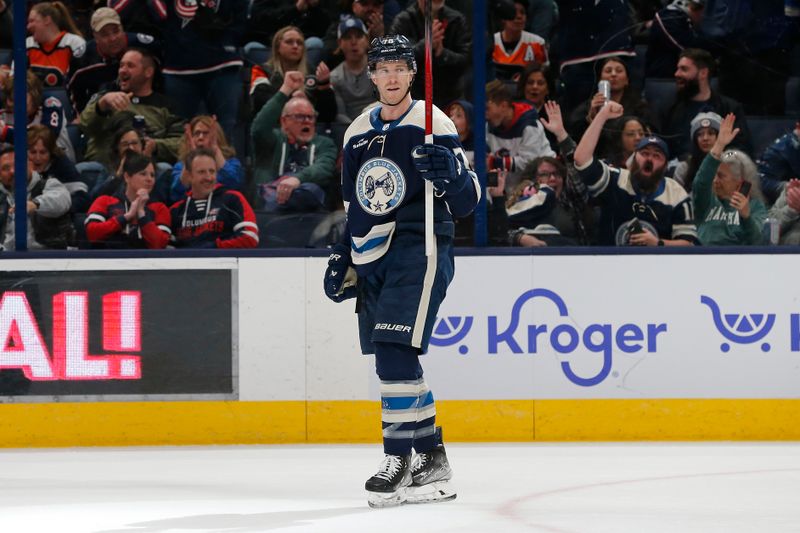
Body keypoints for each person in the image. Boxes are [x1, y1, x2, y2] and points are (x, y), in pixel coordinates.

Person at [323, 34, 479, 508]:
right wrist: (344, 251)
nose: (391, 76)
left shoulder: (433, 122)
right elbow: (354, 204)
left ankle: (398, 458)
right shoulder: (355, 134)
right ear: (370, 75)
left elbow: (467, 202)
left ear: (413, 74)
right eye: (382, 68)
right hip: (373, 252)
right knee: (393, 358)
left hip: (420, 243)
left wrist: (449, 173)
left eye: (400, 68)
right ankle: (432, 458)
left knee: (393, 346)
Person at [574, 100, 698, 246]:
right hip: (611, 263)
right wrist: (602, 116)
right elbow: (581, 159)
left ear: (665, 166)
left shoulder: (676, 194)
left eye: (657, 156)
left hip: (658, 266)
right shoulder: (616, 179)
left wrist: (658, 243)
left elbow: (689, 245)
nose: (649, 159)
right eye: (644, 153)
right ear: (633, 159)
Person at [79, 48, 184, 168]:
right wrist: (101, 105)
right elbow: (84, 126)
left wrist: (155, 145)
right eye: (121, 65)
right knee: (87, 168)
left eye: (130, 66)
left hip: (147, 169)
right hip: (105, 167)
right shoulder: (105, 98)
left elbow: (181, 142)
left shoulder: (166, 106)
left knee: (165, 168)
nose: (122, 70)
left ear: (148, 72)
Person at [251, 74, 337, 212]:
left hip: (309, 210)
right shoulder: (272, 140)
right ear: (284, 121)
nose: (307, 121)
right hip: (269, 211)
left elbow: (324, 168)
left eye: (310, 117)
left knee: (310, 190)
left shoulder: (325, 144)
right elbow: (259, 127)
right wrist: (285, 90)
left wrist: (296, 180)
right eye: (300, 116)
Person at [659, 48, 751, 160]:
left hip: (720, 168)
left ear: (703, 73)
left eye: (684, 69)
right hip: (679, 170)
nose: (677, 74)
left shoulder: (730, 109)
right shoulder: (668, 108)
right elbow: (660, 148)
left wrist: (724, 158)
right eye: (677, 69)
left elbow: (740, 151)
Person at [691, 113, 766, 245]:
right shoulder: (707, 201)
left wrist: (746, 217)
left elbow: (758, 243)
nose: (714, 181)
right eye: (714, 175)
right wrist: (719, 145)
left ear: (740, 181)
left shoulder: (755, 206)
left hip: (739, 262)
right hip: (703, 259)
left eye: (721, 176)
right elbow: (701, 182)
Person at [68, 7, 159, 114]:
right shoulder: (83, 58)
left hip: (146, 107)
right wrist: (80, 114)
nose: (112, 38)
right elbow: (72, 88)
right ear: (95, 37)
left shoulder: (145, 45)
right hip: (100, 112)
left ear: (122, 28)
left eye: (116, 31)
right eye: (105, 34)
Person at [169, 147, 259, 248]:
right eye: (202, 172)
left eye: (212, 171)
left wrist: (213, 248)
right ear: (189, 176)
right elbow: (165, 246)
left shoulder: (233, 199)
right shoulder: (176, 210)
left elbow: (250, 237)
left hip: (225, 262)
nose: (209, 177)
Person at [390, 0, 472, 108]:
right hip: (413, 97)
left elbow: (466, 60)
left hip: (450, 98)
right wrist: (426, 44)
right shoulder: (403, 21)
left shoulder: (456, 20)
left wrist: (442, 54)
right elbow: (397, 59)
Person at [567, 56, 655, 154]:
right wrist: (592, 117)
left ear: (627, 80)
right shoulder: (588, 107)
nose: (613, 74)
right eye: (608, 71)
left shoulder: (639, 106)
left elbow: (649, 134)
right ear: (600, 79)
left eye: (619, 71)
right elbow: (574, 137)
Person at [249, 25, 337, 121]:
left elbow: (329, 115)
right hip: (273, 128)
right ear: (277, 47)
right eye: (289, 42)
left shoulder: (316, 73)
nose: (295, 46)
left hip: (309, 128)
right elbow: (260, 104)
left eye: (299, 43)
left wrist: (324, 87)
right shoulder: (260, 70)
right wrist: (294, 100)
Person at [85, 152, 171, 249]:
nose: (149, 179)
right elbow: (92, 234)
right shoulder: (104, 201)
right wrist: (126, 217)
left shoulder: (159, 208)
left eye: (152, 175)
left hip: (146, 262)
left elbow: (160, 245)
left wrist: (142, 215)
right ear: (127, 177)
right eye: (143, 174)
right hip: (109, 261)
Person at [484, 79, 554, 191]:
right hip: (511, 189)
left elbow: (530, 163)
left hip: (540, 186)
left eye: (487, 108)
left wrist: (494, 162)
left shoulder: (530, 125)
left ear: (503, 105)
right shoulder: (489, 126)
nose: (485, 114)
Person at [0, 146, 73, 250]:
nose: (12, 171)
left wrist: (35, 204)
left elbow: (61, 202)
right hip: (6, 259)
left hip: (49, 257)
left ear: (30, 165)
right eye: (5, 168)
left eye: (17, 165)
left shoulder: (50, 184)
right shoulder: (1, 196)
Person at [0, 1, 86, 89]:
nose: (28, 26)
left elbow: (80, 82)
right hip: (33, 100)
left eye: (32, 21)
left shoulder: (74, 43)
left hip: (67, 100)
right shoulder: (27, 45)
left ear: (47, 20)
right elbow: (12, 76)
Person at [0, 70, 76, 162]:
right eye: (12, 99)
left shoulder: (51, 104)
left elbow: (45, 138)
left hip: (55, 166)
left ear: (34, 95)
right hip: (14, 168)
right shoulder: (4, 110)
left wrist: (6, 133)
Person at [169, 115, 243, 205]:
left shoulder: (232, 162)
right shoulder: (180, 166)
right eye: (197, 133)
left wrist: (215, 149)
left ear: (216, 136)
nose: (200, 137)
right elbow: (176, 194)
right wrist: (191, 157)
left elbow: (233, 183)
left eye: (206, 133)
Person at [27, 125, 89, 214]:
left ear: (51, 152)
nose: (37, 158)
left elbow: (81, 197)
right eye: (33, 152)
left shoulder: (62, 165)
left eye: (43, 152)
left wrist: (59, 210)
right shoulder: (16, 166)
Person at [646, 0, 707, 78]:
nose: (702, 18)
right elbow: (688, 49)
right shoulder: (667, 18)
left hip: (688, 77)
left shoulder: (687, 21)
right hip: (663, 78)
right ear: (694, 9)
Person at [491, 0, 549, 82]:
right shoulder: (491, 42)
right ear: (503, 18)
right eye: (513, 12)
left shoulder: (537, 43)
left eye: (522, 13)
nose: (519, 16)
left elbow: (545, 75)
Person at [330, 17, 373, 124]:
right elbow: (340, 114)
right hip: (348, 128)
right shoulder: (334, 76)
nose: (353, 42)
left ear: (367, 40)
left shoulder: (380, 69)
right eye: (348, 37)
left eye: (358, 36)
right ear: (340, 43)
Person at [671, 111, 721, 192]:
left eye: (711, 133)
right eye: (700, 134)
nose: (705, 138)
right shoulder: (685, 167)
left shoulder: (729, 162)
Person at [757, 119, 800, 205]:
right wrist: (789, 188)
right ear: (798, 126)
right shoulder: (779, 150)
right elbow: (761, 181)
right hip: (782, 204)